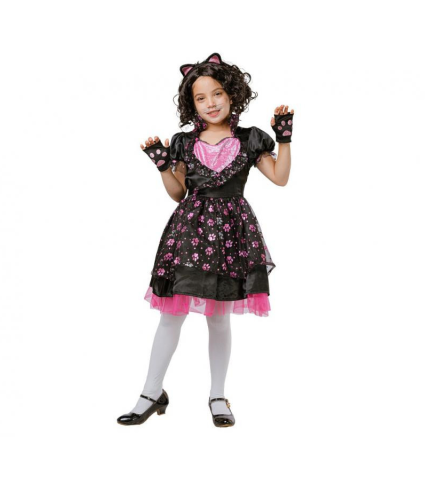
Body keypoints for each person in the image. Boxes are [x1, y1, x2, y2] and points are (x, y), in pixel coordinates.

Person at [117, 52, 294, 428]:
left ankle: (217, 395)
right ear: (191, 104)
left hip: (230, 236)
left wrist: (284, 139)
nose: (210, 103)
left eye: (217, 94)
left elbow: (280, 178)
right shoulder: (183, 142)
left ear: (231, 95)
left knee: (219, 318)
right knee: (171, 314)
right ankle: (151, 392)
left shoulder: (250, 139)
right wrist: (163, 166)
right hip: (189, 235)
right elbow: (177, 193)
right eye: (201, 97)